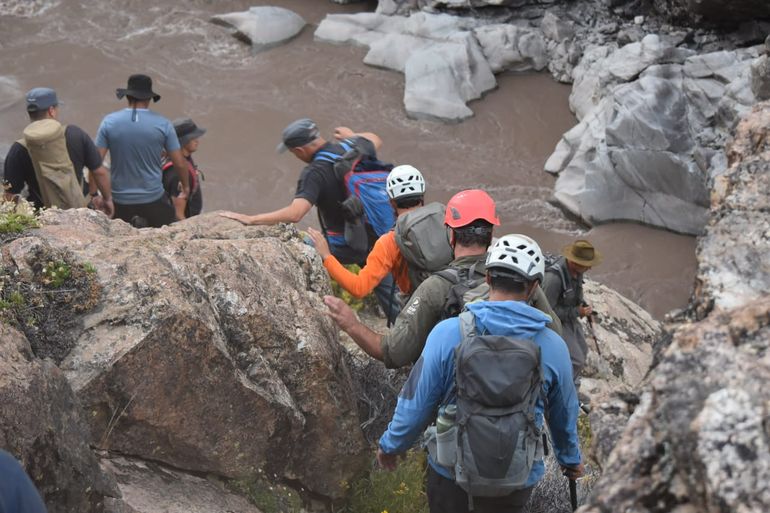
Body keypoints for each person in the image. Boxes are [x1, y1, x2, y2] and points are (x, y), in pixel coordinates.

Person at [376, 234, 583, 513]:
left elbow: (416, 400)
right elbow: (563, 413)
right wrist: (570, 459)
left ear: (487, 278)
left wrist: (392, 444)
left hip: (451, 475)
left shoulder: (448, 333)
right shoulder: (553, 346)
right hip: (516, 478)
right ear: (534, 286)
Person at [324, 189, 561, 369]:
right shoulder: (523, 282)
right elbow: (555, 337)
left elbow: (393, 353)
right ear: (491, 235)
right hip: (521, 411)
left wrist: (351, 324)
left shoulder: (435, 288)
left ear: (450, 234)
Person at [219, 119, 398, 322]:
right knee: (391, 291)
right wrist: (352, 134)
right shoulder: (354, 147)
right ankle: (409, 333)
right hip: (379, 234)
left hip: (345, 246)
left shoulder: (315, 172)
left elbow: (296, 213)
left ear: (300, 149)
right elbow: (376, 138)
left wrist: (252, 219)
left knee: (296, 244)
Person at [306, 164, 426, 302]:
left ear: (391, 202)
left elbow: (359, 288)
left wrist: (327, 256)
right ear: (422, 196)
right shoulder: (445, 221)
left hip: (420, 310)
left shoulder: (389, 242)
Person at [95, 74, 189, 227]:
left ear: (128, 96)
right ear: (149, 98)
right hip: (153, 199)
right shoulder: (163, 124)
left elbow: (96, 163)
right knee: (167, 231)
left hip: (119, 200)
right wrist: (186, 187)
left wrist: (98, 195)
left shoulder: (109, 122)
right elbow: (179, 163)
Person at [3, 87, 113, 217]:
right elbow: (99, 172)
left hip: (44, 216)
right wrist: (107, 199)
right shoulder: (75, 134)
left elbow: (10, 195)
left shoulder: (19, 148)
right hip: (83, 211)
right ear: (51, 111)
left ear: (30, 113)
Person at [543, 239, 602, 383]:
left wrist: (583, 307)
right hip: (555, 323)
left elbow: (576, 294)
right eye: (586, 265)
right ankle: (562, 390)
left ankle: (571, 385)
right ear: (575, 262)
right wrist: (578, 312)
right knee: (576, 360)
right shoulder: (554, 279)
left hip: (569, 318)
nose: (589, 268)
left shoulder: (576, 272)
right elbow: (547, 312)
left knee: (583, 350)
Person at [162, 117, 206, 219]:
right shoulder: (177, 174)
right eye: (193, 138)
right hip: (186, 221)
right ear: (183, 141)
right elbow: (178, 214)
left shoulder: (183, 157)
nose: (197, 141)